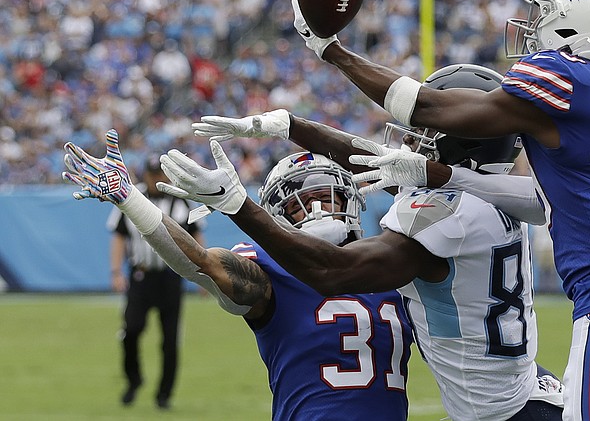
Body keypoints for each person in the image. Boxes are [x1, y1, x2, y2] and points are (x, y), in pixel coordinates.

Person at [290, 0, 590, 421]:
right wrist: (440, 175)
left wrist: (332, 51)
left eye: (545, 12)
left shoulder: (564, 79)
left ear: (576, 22)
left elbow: (429, 109)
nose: (534, 24)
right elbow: (545, 204)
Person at [162, 65, 565, 420]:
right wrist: (289, 126)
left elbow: (331, 271)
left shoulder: (450, 216)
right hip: (519, 392)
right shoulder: (486, 191)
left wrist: (238, 206)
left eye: (426, 129)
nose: (411, 140)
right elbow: (367, 158)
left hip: (502, 414)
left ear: (462, 143)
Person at [63, 130, 412, 421]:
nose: (318, 211)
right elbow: (202, 262)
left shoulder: (397, 270)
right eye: (299, 204)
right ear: (278, 219)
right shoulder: (272, 272)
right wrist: (132, 199)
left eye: (327, 197)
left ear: (351, 201)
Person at [107, 156, 204, 409]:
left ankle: (164, 396)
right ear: (145, 176)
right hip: (141, 275)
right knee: (131, 330)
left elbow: (196, 236)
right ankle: (134, 379)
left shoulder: (180, 201)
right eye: (152, 175)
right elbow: (119, 236)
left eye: (160, 175)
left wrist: (204, 276)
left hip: (170, 277)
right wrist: (116, 271)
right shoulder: (130, 197)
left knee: (170, 341)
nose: (156, 180)